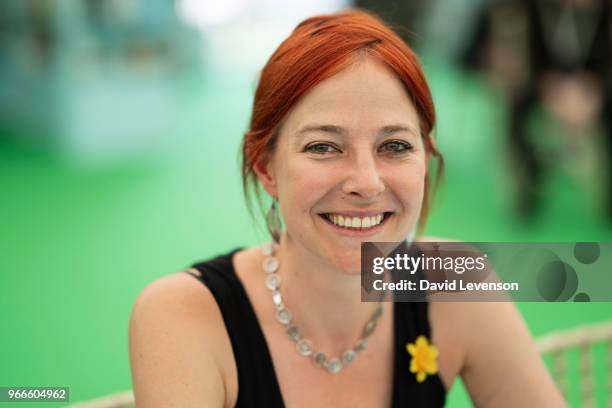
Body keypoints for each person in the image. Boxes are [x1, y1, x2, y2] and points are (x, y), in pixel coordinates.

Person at [129, 9, 565, 407]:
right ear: (266, 167)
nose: (366, 183)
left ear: (426, 161)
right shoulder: (186, 316)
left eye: (394, 146)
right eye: (323, 147)